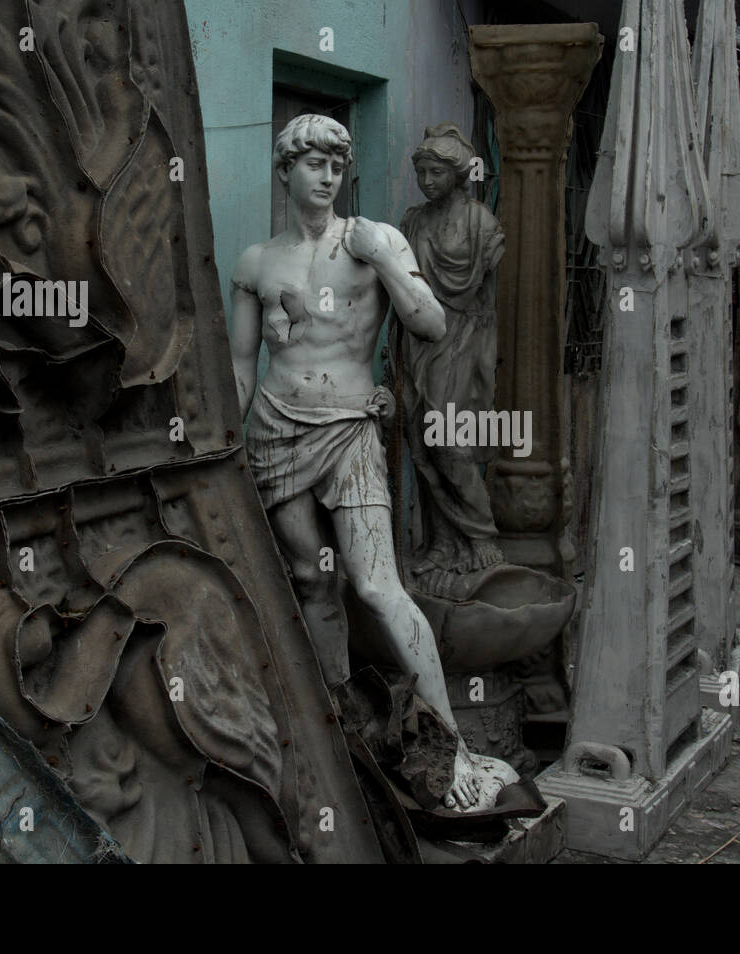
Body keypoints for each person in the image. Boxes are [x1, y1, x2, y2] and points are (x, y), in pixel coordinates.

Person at [228, 114, 516, 811]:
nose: (328, 176)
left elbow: (432, 321)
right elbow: (240, 363)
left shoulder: (375, 241)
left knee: (379, 585)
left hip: (352, 430)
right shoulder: (256, 262)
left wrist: (386, 261)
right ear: (286, 171)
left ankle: (454, 745)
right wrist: (222, 445)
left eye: (337, 164)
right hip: (274, 429)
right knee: (309, 579)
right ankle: (337, 731)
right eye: (314, 163)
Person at [399, 124, 505, 593]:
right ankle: (442, 541)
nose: (426, 179)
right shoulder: (412, 221)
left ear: (457, 173)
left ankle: (481, 536)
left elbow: (492, 299)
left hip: (463, 341)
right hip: (419, 343)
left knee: (451, 443)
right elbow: (399, 287)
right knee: (421, 444)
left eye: (435, 171)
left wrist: (483, 355)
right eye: (421, 171)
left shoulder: (482, 224)